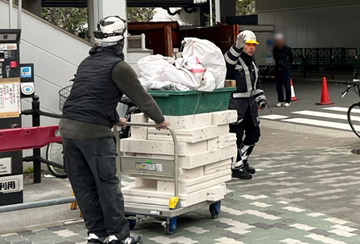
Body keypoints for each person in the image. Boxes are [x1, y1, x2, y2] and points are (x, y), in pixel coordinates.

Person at [59, 16, 170, 244]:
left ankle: (96, 234)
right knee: (107, 184)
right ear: (122, 41)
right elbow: (141, 97)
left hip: (68, 128)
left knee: (84, 185)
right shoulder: (119, 67)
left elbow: (90, 96)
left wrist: (114, 117)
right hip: (94, 134)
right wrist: (159, 120)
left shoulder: (86, 63)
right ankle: (119, 237)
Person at [224, 30, 267, 180]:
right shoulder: (234, 60)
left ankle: (242, 160)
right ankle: (236, 167)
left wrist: (261, 98)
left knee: (254, 134)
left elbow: (257, 84)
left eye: (253, 45)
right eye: (248, 44)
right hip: (236, 105)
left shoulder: (253, 62)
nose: (251, 47)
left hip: (250, 106)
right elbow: (227, 61)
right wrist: (236, 47)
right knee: (236, 137)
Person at [273, 34, 294, 107]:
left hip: (286, 69)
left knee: (287, 86)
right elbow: (275, 58)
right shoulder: (275, 49)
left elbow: (291, 58)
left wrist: (288, 65)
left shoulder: (287, 48)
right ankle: (280, 100)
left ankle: (288, 101)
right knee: (278, 86)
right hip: (278, 69)